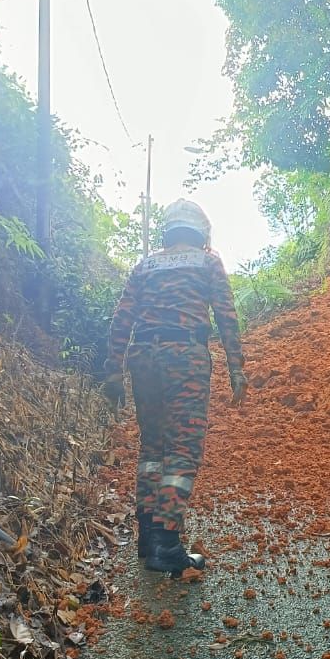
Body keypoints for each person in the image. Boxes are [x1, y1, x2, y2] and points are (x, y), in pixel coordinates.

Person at [102, 199, 247, 577]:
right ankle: (167, 542)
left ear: (167, 230)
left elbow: (122, 318)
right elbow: (226, 316)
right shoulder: (207, 261)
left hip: (143, 357)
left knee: (152, 449)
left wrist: (113, 370)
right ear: (201, 231)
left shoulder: (146, 264)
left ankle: (148, 538)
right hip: (184, 356)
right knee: (183, 448)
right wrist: (237, 368)